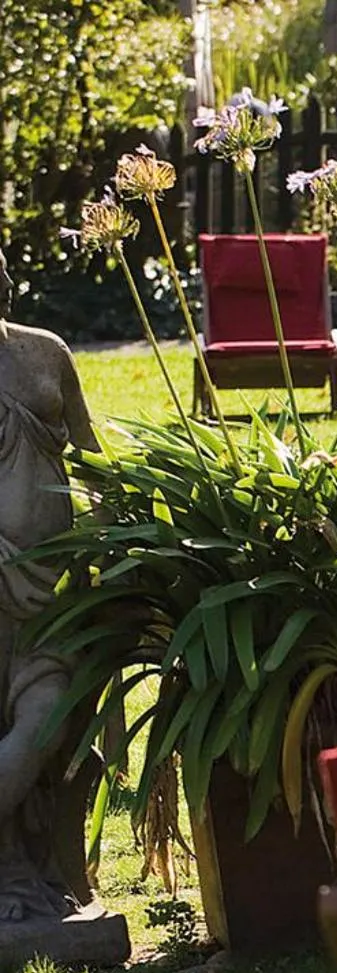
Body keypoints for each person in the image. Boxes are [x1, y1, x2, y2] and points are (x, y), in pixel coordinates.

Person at [0, 249, 102, 922]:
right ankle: (13, 873)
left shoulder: (46, 352)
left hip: (54, 587)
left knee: (49, 716)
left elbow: (93, 459)